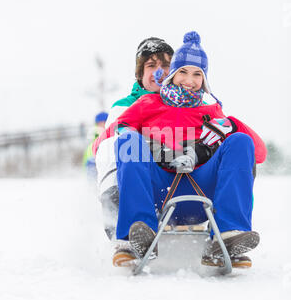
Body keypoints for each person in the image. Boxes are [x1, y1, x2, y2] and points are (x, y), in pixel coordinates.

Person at [93, 31, 267, 269]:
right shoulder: (147, 104)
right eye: (183, 71)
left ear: (204, 80)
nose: (189, 79)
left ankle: (227, 235)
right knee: (128, 143)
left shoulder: (211, 110)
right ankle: (137, 234)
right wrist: (153, 147)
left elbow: (259, 152)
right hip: (159, 191)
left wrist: (232, 124)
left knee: (240, 142)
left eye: (197, 74)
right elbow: (118, 131)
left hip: (201, 188)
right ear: (173, 74)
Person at [95, 37, 174, 239]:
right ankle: (122, 224)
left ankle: (226, 230)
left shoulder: (186, 103)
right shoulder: (124, 106)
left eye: (166, 65)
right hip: (136, 179)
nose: (160, 71)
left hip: (176, 179)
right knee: (119, 143)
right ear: (140, 74)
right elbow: (110, 136)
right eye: (151, 65)